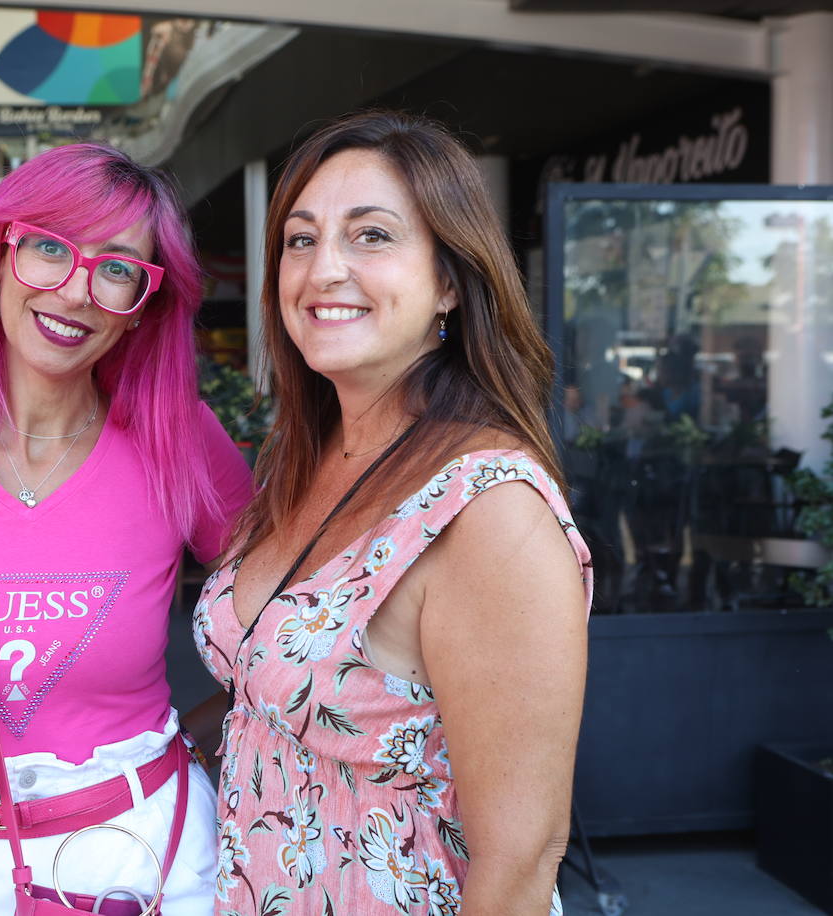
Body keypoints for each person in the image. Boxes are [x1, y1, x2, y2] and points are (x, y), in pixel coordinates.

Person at [0, 143, 254, 916]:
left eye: (117, 268)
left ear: (143, 307)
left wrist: (184, 743)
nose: (75, 290)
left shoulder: (179, 440)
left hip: (143, 862)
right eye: (50, 248)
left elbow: (295, 634)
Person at [190, 111, 592, 915]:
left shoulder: (488, 511)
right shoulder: (305, 464)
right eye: (300, 241)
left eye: (371, 235)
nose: (324, 268)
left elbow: (522, 860)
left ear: (449, 279)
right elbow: (275, 687)